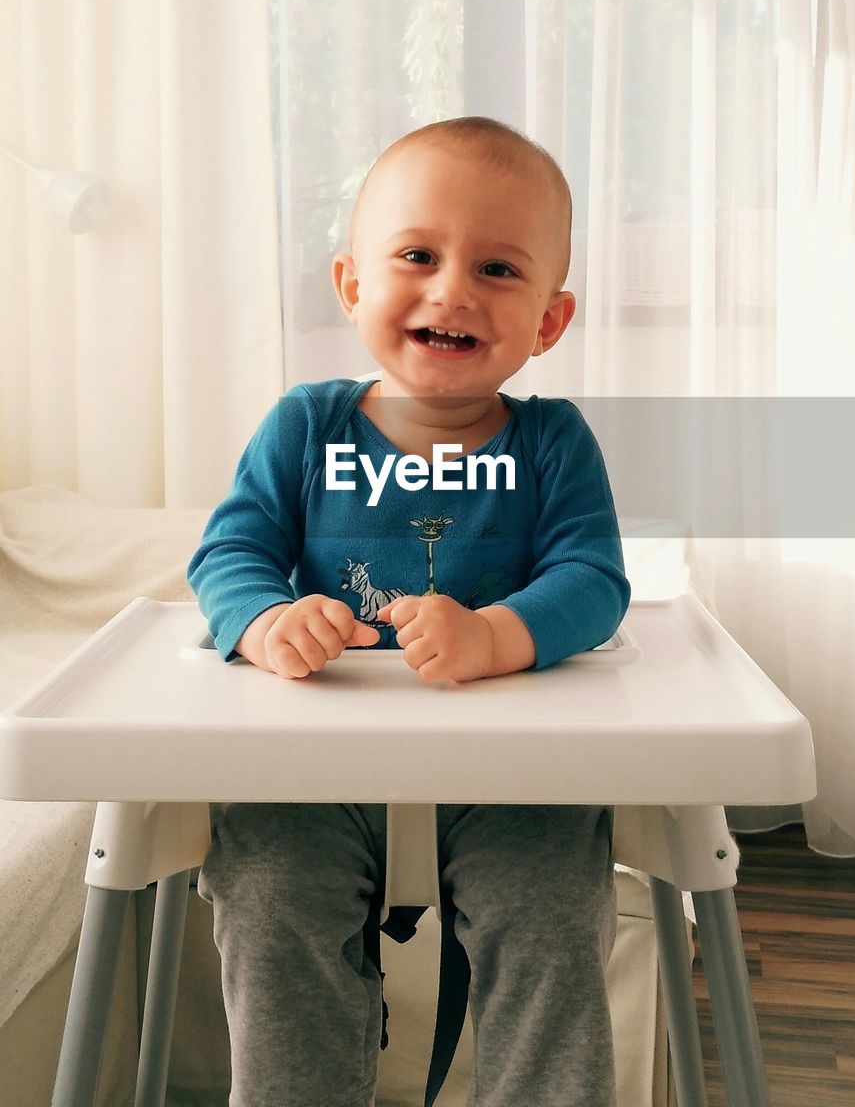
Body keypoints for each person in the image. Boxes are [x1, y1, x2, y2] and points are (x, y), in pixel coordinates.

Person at [187, 116, 631, 1107]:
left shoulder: (554, 442)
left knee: (549, 915)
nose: (452, 290)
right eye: (417, 255)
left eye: (499, 269)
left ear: (549, 322)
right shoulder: (306, 423)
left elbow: (593, 578)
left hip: (510, 762)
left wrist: (495, 635)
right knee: (267, 902)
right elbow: (230, 549)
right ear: (352, 286)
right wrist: (264, 622)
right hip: (315, 756)